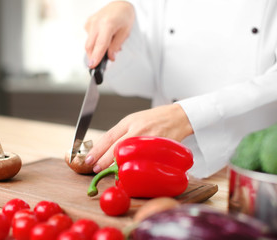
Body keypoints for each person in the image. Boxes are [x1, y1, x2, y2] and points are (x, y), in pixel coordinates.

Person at [82, 0, 277, 178]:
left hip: (257, 170)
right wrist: (125, 16)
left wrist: (187, 117)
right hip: (159, 166)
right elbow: (141, 79)